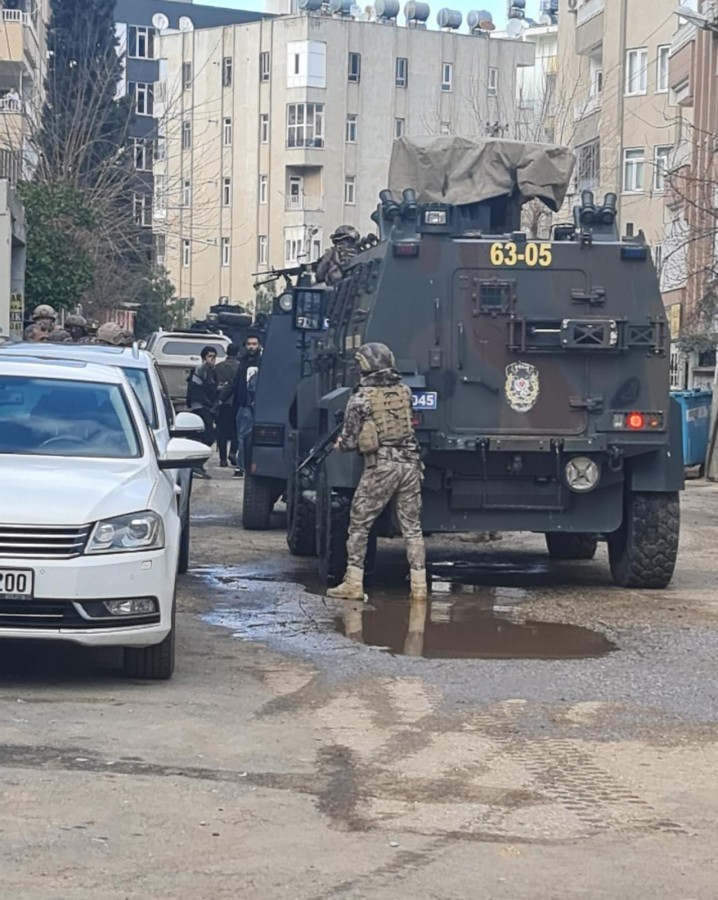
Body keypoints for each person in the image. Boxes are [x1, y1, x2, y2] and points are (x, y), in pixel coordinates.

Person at [327, 342, 427, 603]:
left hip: (381, 467)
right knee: (412, 529)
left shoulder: (360, 398)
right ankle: (419, 588)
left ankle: (353, 583)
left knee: (359, 524)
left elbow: (348, 443)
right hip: (411, 464)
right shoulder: (404, 391)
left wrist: (339, 444)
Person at [233, 332, 263, 478]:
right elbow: (236, 383)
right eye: (249, 344)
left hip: (256, 406)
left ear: (259, 346)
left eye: (254, 344)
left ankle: (245, 467)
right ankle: (242, 467)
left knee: (248, 438)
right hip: (243, 406)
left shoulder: (263, 363)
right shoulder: (242, 362)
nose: (251, 347)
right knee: (241, 437)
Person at [187, 346, 218, 479]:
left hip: (206, 406)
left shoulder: (210, 371)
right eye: (210, 356)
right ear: (204, 357)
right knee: (208, 434)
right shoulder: (201, 370)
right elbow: (198, 389)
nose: (212, 359)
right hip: (200, 406)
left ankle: (197, 463)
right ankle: (196, 463)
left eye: (214, 356)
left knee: (207, 435)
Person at [214, 343, 241, 468]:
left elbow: (213, 385)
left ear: (226, 352)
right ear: (238, 352)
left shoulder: (218, 367)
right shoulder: (240, 367)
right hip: (236, 401)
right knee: (236, 430)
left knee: (222, 431)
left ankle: (223, 459)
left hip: (221, 402)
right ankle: (233, 452)